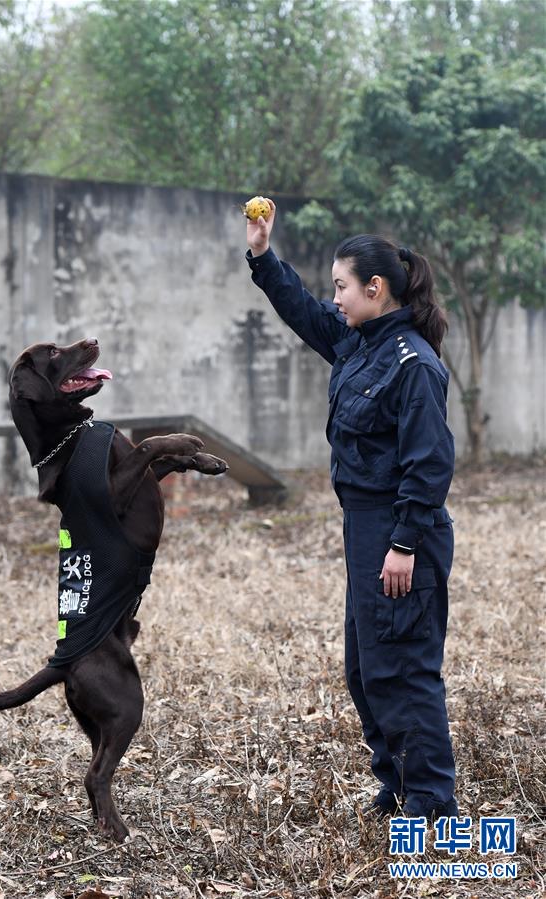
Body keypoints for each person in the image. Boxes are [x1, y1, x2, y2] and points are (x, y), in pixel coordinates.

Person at [245, 199, 458, 821]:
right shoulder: (358, 344)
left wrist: (405, 544)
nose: (334, 298)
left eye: (342, 286)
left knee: (404, 669)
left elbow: (430, 465)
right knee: (365, 670)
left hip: (399, 531)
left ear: (376, 287)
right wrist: (262, 256)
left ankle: (431, 806)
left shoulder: (413, 365)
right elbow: (302, 311)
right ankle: (395, 787)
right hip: (362, 529)